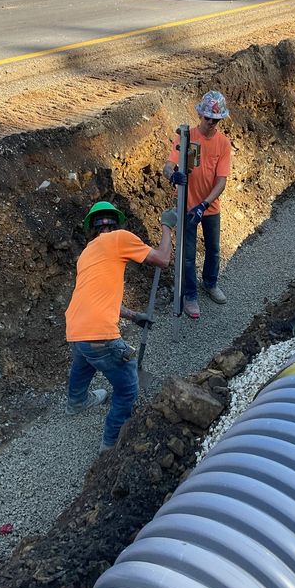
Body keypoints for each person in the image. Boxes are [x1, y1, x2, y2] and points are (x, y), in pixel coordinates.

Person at [64, 201, 176, 453]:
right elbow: (162, 259)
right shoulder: (119, 238)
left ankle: (76, 402)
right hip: (99, 335)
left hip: (76, 329)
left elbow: (97, 298)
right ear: (116, 224)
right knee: (127, 389)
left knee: (83, 363)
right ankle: (110, 445)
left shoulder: (86, 254)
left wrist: (132, 315)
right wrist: (167, 227)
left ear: (91, 229)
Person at [163, 90, 232, 320]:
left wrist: (204, 204)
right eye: (208, 118)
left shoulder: (223, 144)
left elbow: (221, 181)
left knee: (213, 250)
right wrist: (172, 175)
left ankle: (210, 283)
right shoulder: (186, 137)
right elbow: (168, 165)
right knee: (188, 254)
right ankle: (190, 295)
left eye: (216, 120)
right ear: (200, 115)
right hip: (187, 205)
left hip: (209, 207)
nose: (211, 123)